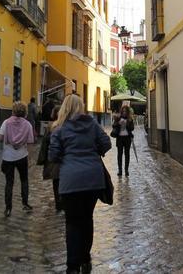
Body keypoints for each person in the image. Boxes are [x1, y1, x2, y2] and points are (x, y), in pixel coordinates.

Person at [49, 94, 112, 274]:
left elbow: (53, 155)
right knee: (87, 219)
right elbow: (106, 143)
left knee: (72, 222)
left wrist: (68, 158)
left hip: (71, 181)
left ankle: (72, 266)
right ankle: (85, 257)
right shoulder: (92, 124)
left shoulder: (59, 129)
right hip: (93, 179)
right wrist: (94, 152)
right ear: (81, 107)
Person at [0, 101, 35, 217]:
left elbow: (0, 138)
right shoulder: (28, 125)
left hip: (8, 156)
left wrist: (4, 139)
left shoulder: (6, 122)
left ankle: (8, 208)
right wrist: (30, 158)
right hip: (22, 156)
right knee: (24, 180)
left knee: (9, 182)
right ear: (25, 112)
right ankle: (25, 203)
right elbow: (30, 143)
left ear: (13, 110)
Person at [37, 104, 62, 211]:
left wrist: (43, 159)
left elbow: (44, 145)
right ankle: (63, 203)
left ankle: (58, 204)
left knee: (56, 182)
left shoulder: (51, 126)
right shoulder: (66, 125)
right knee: (62, 181)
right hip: (63, 160)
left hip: (53, 159)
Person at [112, 105, 135, 177]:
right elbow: (113, 126)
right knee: (119, 154)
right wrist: (119, 123)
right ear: (121, 111)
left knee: (127, 154)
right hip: (120, 138)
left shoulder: (130, 119)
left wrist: (126, 124)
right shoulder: (118, 118)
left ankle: (126, 170)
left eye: (125, 111)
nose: (124, 112)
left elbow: (132, 128)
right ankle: (120, 170)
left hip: (127, 138)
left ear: (127, 112)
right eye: (123, 111)